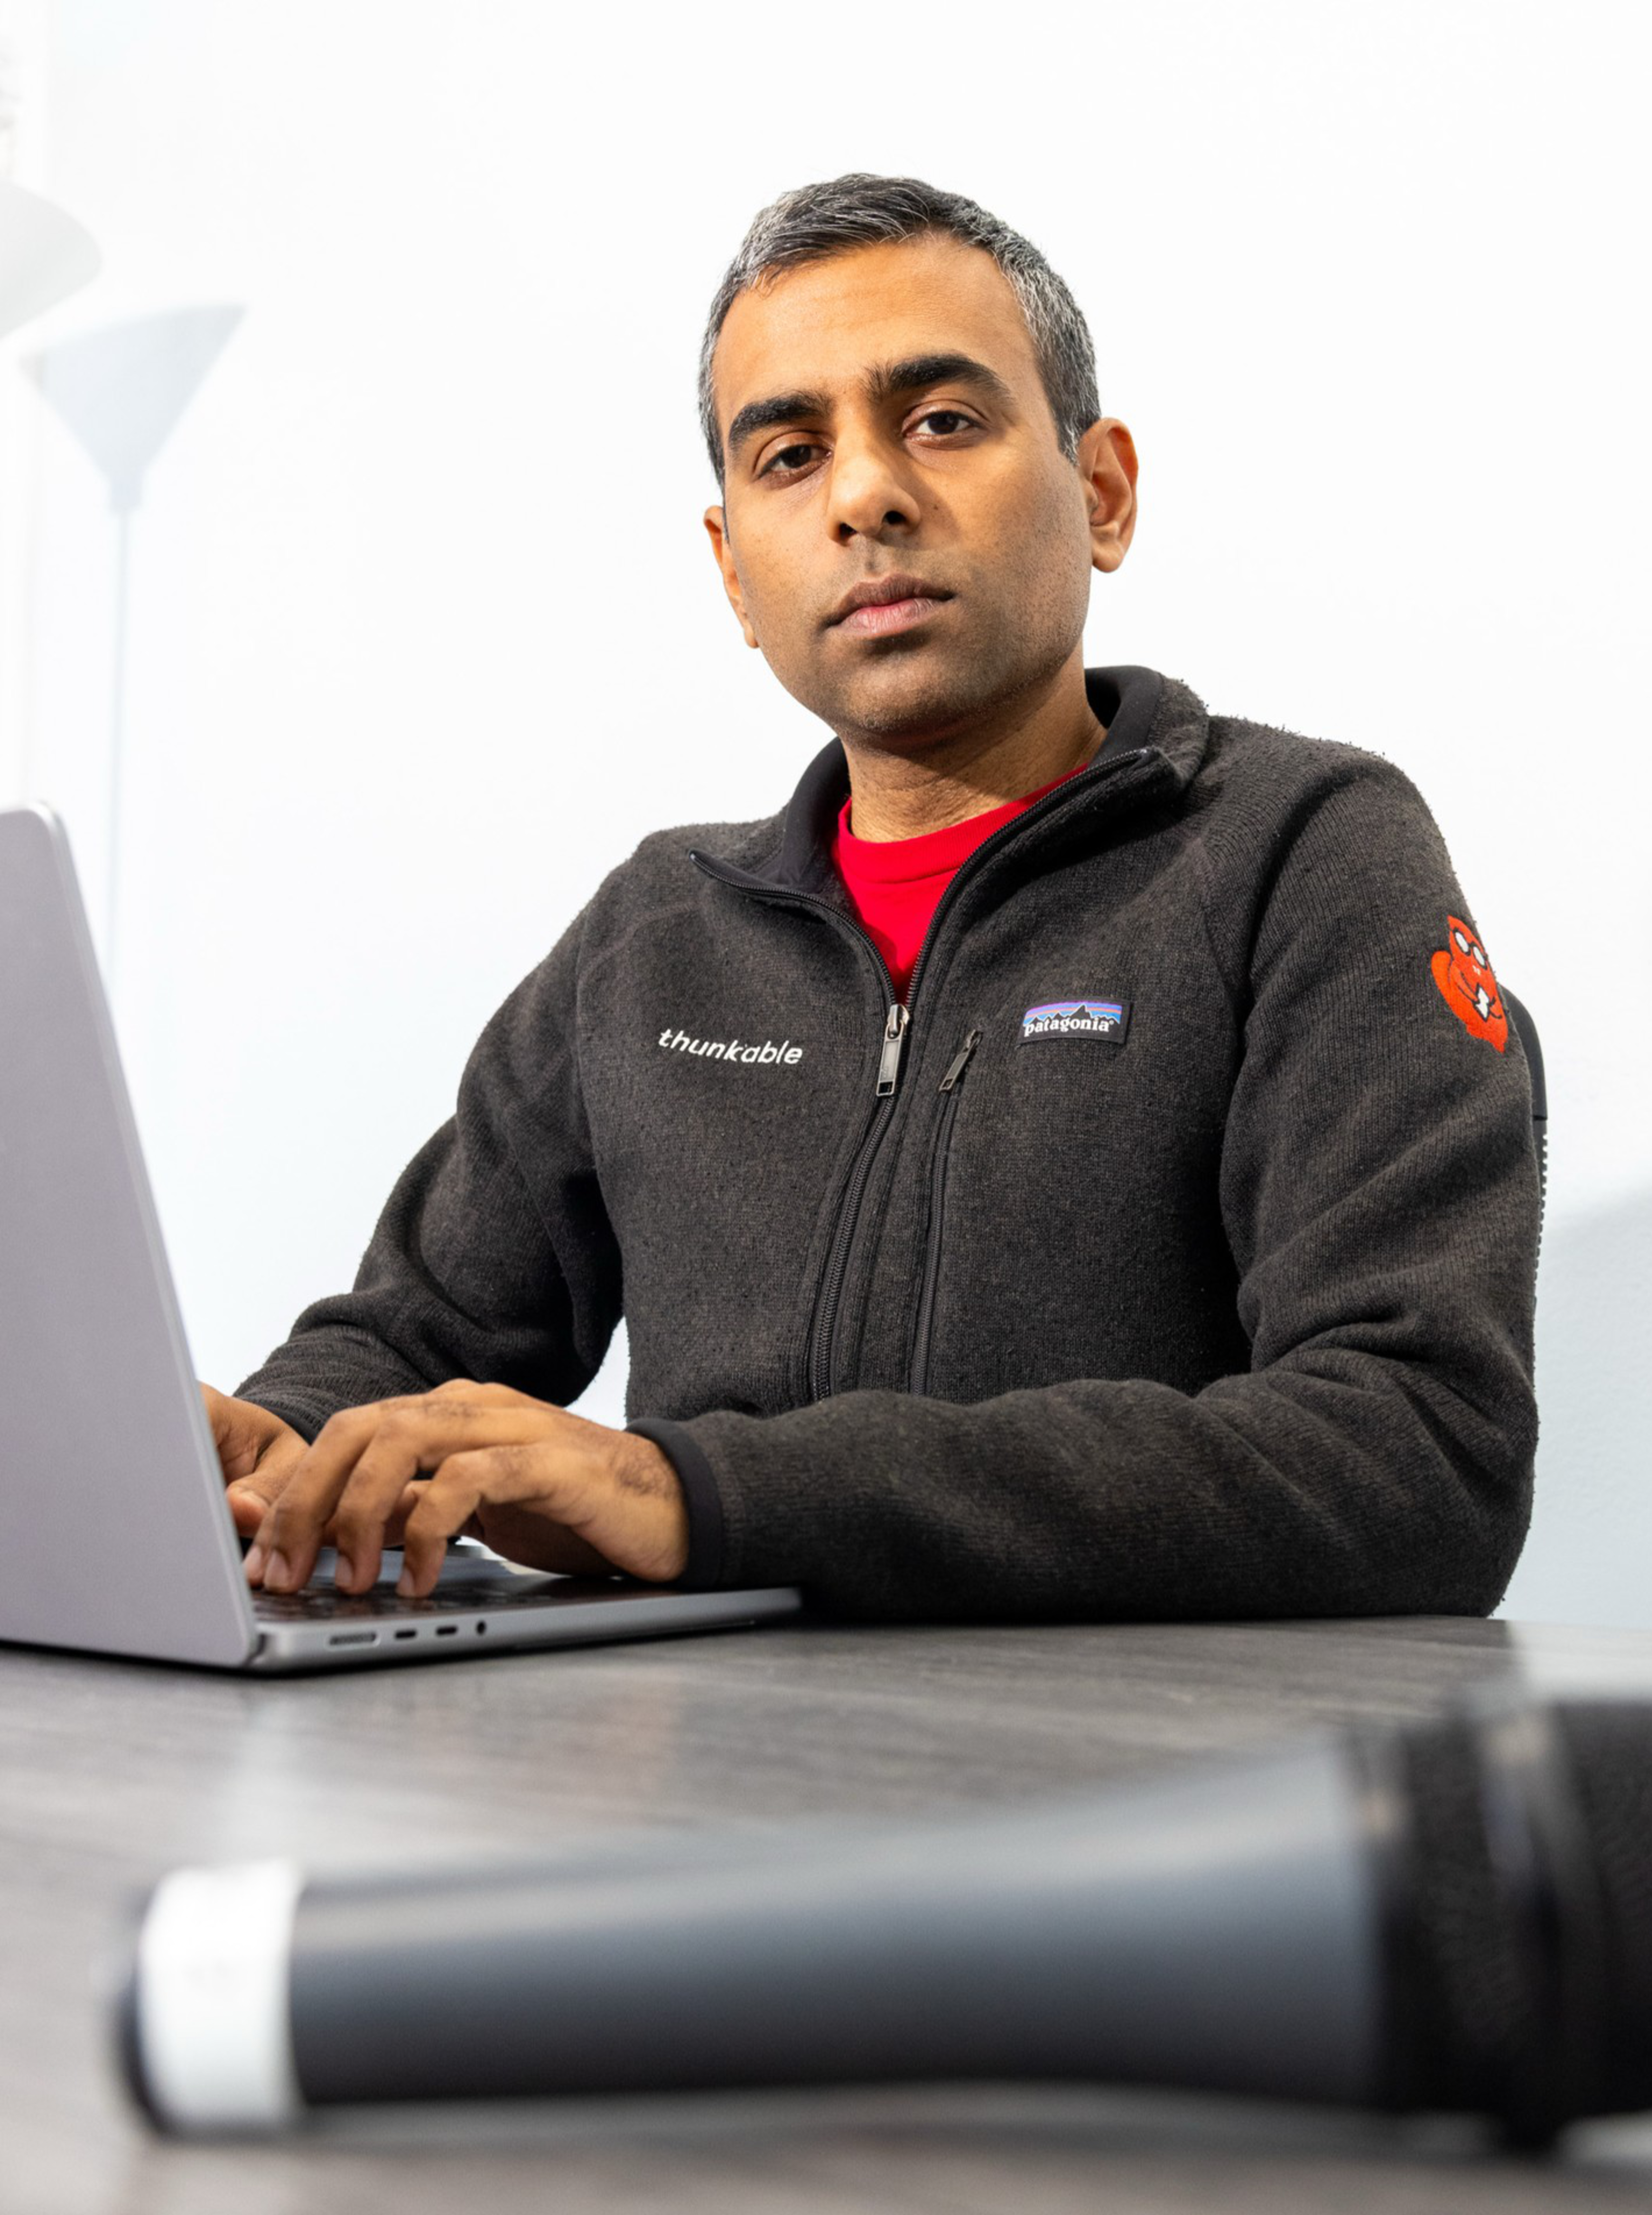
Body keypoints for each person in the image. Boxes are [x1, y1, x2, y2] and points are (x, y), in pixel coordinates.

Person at [220, 173, 1540, 1620]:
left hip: (1141, 1786)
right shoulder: (660, 931)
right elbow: (412, 1342)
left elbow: (1420, 1454)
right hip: (701, 1781)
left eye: (943, 423)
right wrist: (263, 1452)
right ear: (734, 573)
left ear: (1102, 492)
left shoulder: (1301, 853)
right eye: (788, 455)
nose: (864, 495)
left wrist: (699, 1493)